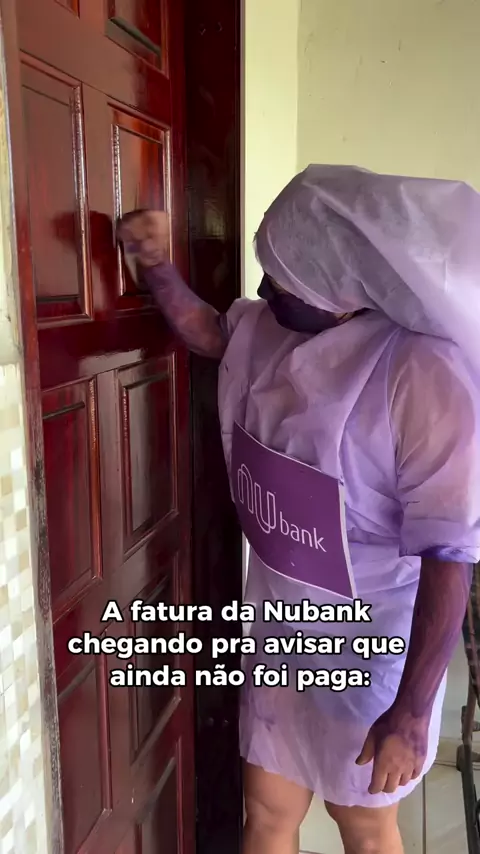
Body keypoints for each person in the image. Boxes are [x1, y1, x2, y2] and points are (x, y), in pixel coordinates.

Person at [117, 165, 480, 854]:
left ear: (341, 285)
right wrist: (156, 266)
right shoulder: (268, 327)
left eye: (282, 280)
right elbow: (210, 333)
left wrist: (410, 712)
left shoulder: (422, 374)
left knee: (364, 825)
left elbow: (449, 555)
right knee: (266, 809)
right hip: (281, 616)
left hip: (373, 638)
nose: (263, 291)